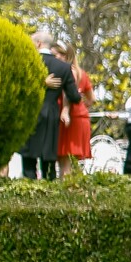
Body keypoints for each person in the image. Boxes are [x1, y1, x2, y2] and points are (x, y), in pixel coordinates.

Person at [19, 30, 80, 181]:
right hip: (51, 113)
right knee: (48, 157)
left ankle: (28, 186)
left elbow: (18, 86)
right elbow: (74, 96)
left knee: (28, 157)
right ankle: (49, 187)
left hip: (30, 112)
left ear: (38, 43)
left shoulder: (27, 62)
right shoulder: (63, 67)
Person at [56, 45, 93, 175]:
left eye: (58, 54)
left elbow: (67, 93)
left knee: (65, 159)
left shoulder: (69, 71)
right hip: (80, 116)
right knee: (72, 161)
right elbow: (91, 99)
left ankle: (67, 192)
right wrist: (82, 106)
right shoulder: (82, 73)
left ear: (65, 56)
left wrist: (66, 110)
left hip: (70, 118)